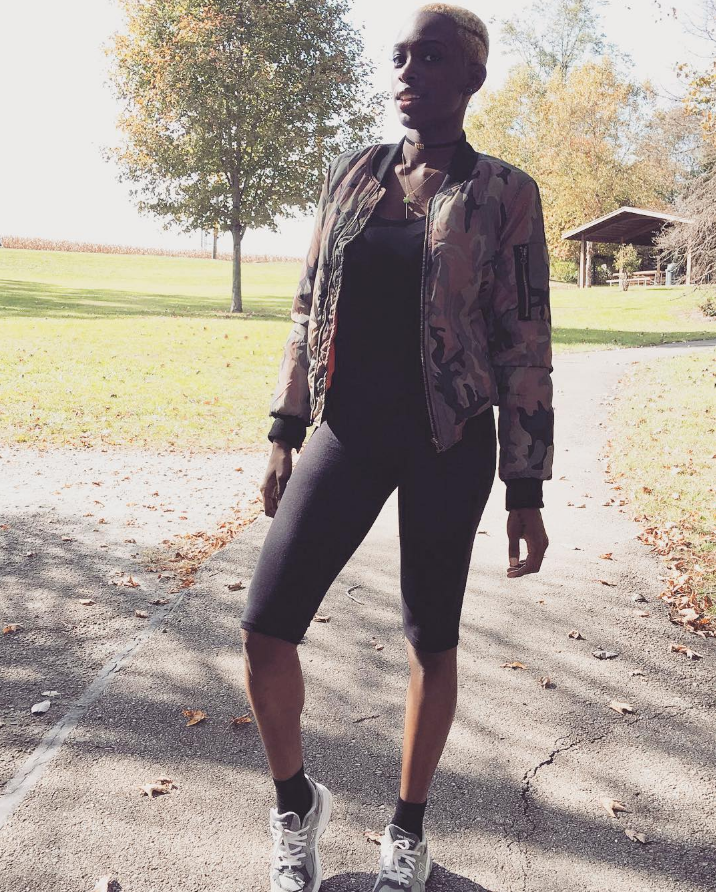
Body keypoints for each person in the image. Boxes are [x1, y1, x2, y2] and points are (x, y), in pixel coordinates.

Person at [240, 4, 553, 890]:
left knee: (431, 637)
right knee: (265, 628)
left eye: (433, 57)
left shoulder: (506, 192)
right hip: (347, 430)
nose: (410, 71)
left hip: (450, 440)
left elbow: (525, 339)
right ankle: (296, 804)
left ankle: (407, 831)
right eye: (401, 56)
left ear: (473, 77)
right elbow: (309, 302)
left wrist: (526, 485)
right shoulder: (353, 174)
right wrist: (284, 428)